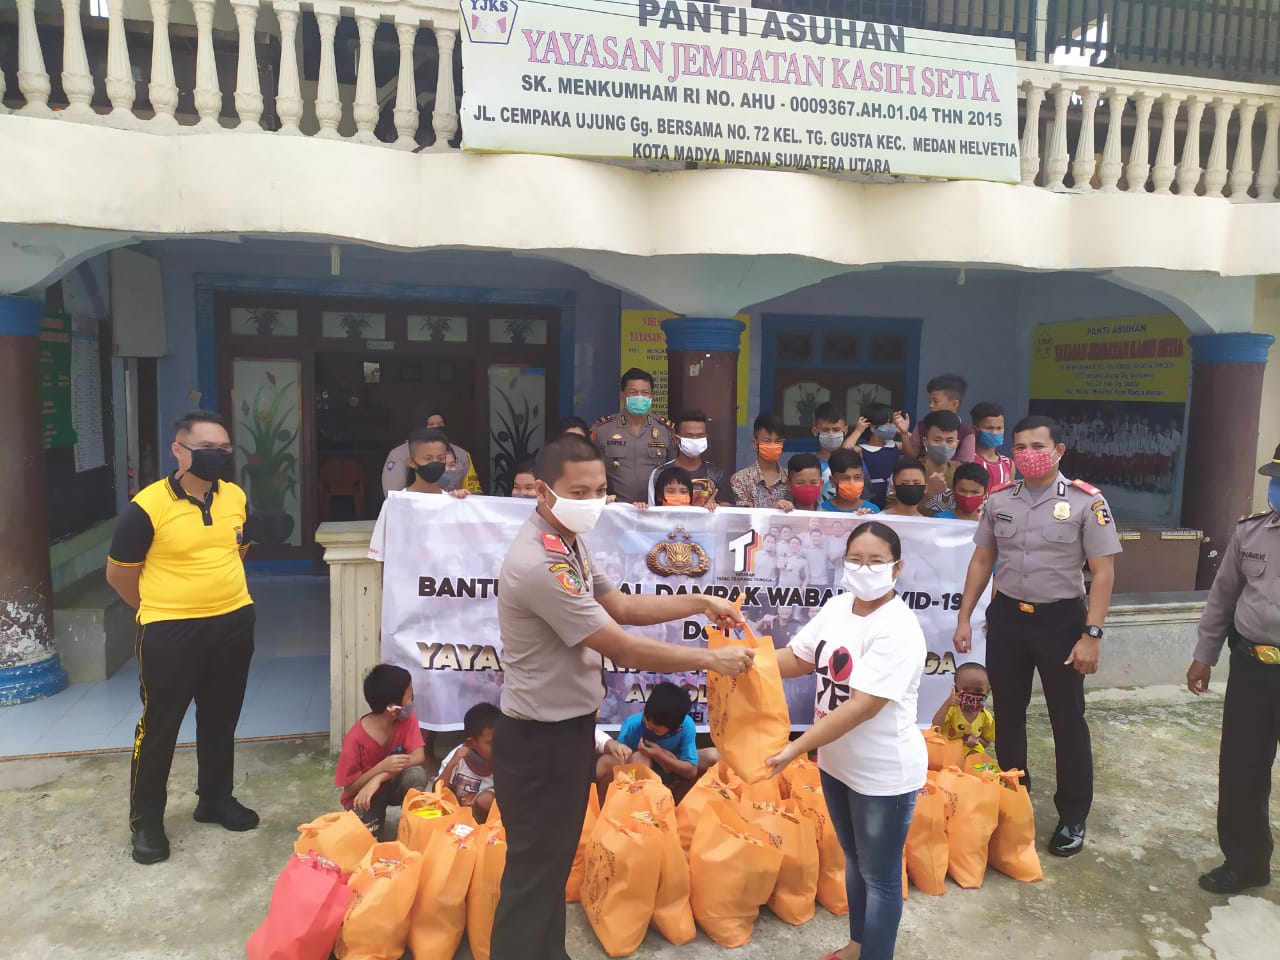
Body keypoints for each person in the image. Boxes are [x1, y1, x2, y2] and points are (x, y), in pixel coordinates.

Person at [489, 433, 753, 960]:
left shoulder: (568, 542)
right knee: (534, 873)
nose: (593, 502)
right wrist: (709, 659)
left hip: (565, 733)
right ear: (543, 491)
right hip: (539, 740)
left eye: (600, 490)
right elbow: (623, 647)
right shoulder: (542, 563)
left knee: (550, 863)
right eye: (578, 491)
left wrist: (700, 600)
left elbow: (624, 608)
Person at [952, 415, 1122, 858]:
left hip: (1061, 623)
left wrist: (1092, 635)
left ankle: (1072, 815)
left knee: (1067, 719)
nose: (1029, 453)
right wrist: (965, 617)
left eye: (1038, 445)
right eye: (1021, 445)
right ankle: (1013, 797)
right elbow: (981, 561)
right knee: (1008, 713)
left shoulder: (1088, 503)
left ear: (1058, 450)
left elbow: (1102, 574)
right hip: (1007, 618)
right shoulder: (1000, 498)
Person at [767, 521, 927, 960]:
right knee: (854, 860)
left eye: (877, 561)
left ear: (897, 569)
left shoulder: (898, 627)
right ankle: (859, 946)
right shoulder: (837, 608)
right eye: (856, 559)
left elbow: (862, 707)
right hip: (837, 763)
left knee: (881, 878)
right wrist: (744, 661)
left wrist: (796, 748)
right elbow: (798, 658)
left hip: (881, 773)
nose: (864, 568)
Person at [106, 410, 258, 866]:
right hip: (169, 632)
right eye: (207, 449)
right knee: (160, 725)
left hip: (232, 624)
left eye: (224, 450)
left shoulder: (234, 496)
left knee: (220, 718)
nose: (218, 457)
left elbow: (238, 551)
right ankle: (146, 821)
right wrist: (159, 610)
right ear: (179, 449)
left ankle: (214, 799)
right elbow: (119, 575)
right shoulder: (147, 506)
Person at [1186, 444, 1280, 895]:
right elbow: (1223, 596)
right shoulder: (1252, 533)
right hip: (1252, 667)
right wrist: (1205, 654)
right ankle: (1245, 862)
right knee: (1242, 768)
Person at [335, 664, 429, 837]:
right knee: (367, 843)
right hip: (365, 797)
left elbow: (418, 756)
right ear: (392, 709)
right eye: (409, 694)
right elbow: (349, 790)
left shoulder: (406, 719)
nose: (413, 698)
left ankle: (413, 829)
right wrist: (381, 767)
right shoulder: (354, 739)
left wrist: (379, 777)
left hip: (389, 785)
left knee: (416, 774)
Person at [367, 428, 469, 562]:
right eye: (428, 458)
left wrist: (464, 503)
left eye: (441, 458)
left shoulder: (453, 502)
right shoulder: (394, 506)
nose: (435, 463)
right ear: (411, 462)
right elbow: (383, 558)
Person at [595, 682, 699, 800]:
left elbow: (691, 771)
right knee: (639, 758)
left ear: (676, 729)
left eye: (655, 730)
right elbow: (618, 759)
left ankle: (677, 806)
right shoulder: (633, 724)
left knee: (712, 757)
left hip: (672, 767)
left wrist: (660, 755)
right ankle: (609, 807)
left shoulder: (687, 726)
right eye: (645, 722)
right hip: (637, 771)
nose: (648, 728)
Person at [591, 368, 675, 503]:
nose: (640, 397)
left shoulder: (665, 430)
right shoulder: (603, 429)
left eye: (645, 393)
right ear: (622, 396)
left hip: (655, 509)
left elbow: (673, 471)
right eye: (633, 392)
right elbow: (589, 469)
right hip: (615, 509)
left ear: (651, 397)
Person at [381, 405, 480, 496]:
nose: (436, 428)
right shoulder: (400, 453)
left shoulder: (461, 454)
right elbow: (392, 493)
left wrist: (460, 497)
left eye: (440, 424)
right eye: (431, 425)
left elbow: (473, 494)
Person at [645, 409, 732, 506]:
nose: (695, 440)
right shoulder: (659, 473)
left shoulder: (718, 474)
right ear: (676, 440)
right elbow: (652, 511)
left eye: (700, 436)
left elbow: (727, 510)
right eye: (689, 436)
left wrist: (716, 508)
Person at [895, 374, 977, 464]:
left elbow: (965, 465)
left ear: (954, 404)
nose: (931, 405)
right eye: (930, 401)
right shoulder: (921, 426)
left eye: (936, 401)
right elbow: (912, 456)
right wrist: (904, 434)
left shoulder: (967, 433)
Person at [440, 701, 499, 823]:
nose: (499, 746)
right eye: (492, 743)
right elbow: (437, 791)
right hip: (454, 814)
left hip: (485, 820)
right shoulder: (458, 757)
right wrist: (451, 765)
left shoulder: (504, 759)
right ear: (471, 743)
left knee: (486, 800)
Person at [731, 412, 794, 509]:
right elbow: (743, 518)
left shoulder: (791, 479)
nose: (773, 445)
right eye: (767, 441)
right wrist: (773, 510)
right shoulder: (740, 479)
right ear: (754, 443)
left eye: (778, 441)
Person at [930, 662, 996, 754]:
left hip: (969, 750)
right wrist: (947, 703)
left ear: (988, 691)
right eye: (966, 690)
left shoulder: (985, 716)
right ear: (956, 689)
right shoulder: (952, 709)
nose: (972, 694)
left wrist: (975, 740)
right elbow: (935, 724)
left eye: (978, 690)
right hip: (947, 748)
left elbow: (986, 742)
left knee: (975, 754)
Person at [853, 404, 899, 510]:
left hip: (892, 500)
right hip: (870, 499)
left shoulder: (893, 445)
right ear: (873, 427)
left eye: (892, 422)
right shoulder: (861, 449)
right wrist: (858, 431)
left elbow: (915, 447)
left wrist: (903, 432)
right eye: (888, 422)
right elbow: (846, 449)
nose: (892, 426)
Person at [918, 410, 963, 517]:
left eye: (950, 440)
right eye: (937, 440)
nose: (944, 445)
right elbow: (895, 513)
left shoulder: (961, 473)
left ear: (957, 443)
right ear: (925, 441)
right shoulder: (909, 472)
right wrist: (928, 494)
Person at [820, 448, 881, 515]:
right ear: (832, 480)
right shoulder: (822, 510)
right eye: (845, 478)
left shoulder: (873, 511)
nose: (852, 482)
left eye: (857, 477)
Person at [971, 401, 1014, 489]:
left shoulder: (1009, 464)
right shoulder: (967, 460)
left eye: (999, 428)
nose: (995, 432)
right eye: (989, 428)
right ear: (974, 430)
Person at [811, 400, 849, 483]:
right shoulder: (808, 465)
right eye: (825, 430)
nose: (831, 434)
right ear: (815, 431)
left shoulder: (854, 464)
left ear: (845, 430)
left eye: (836, 429)